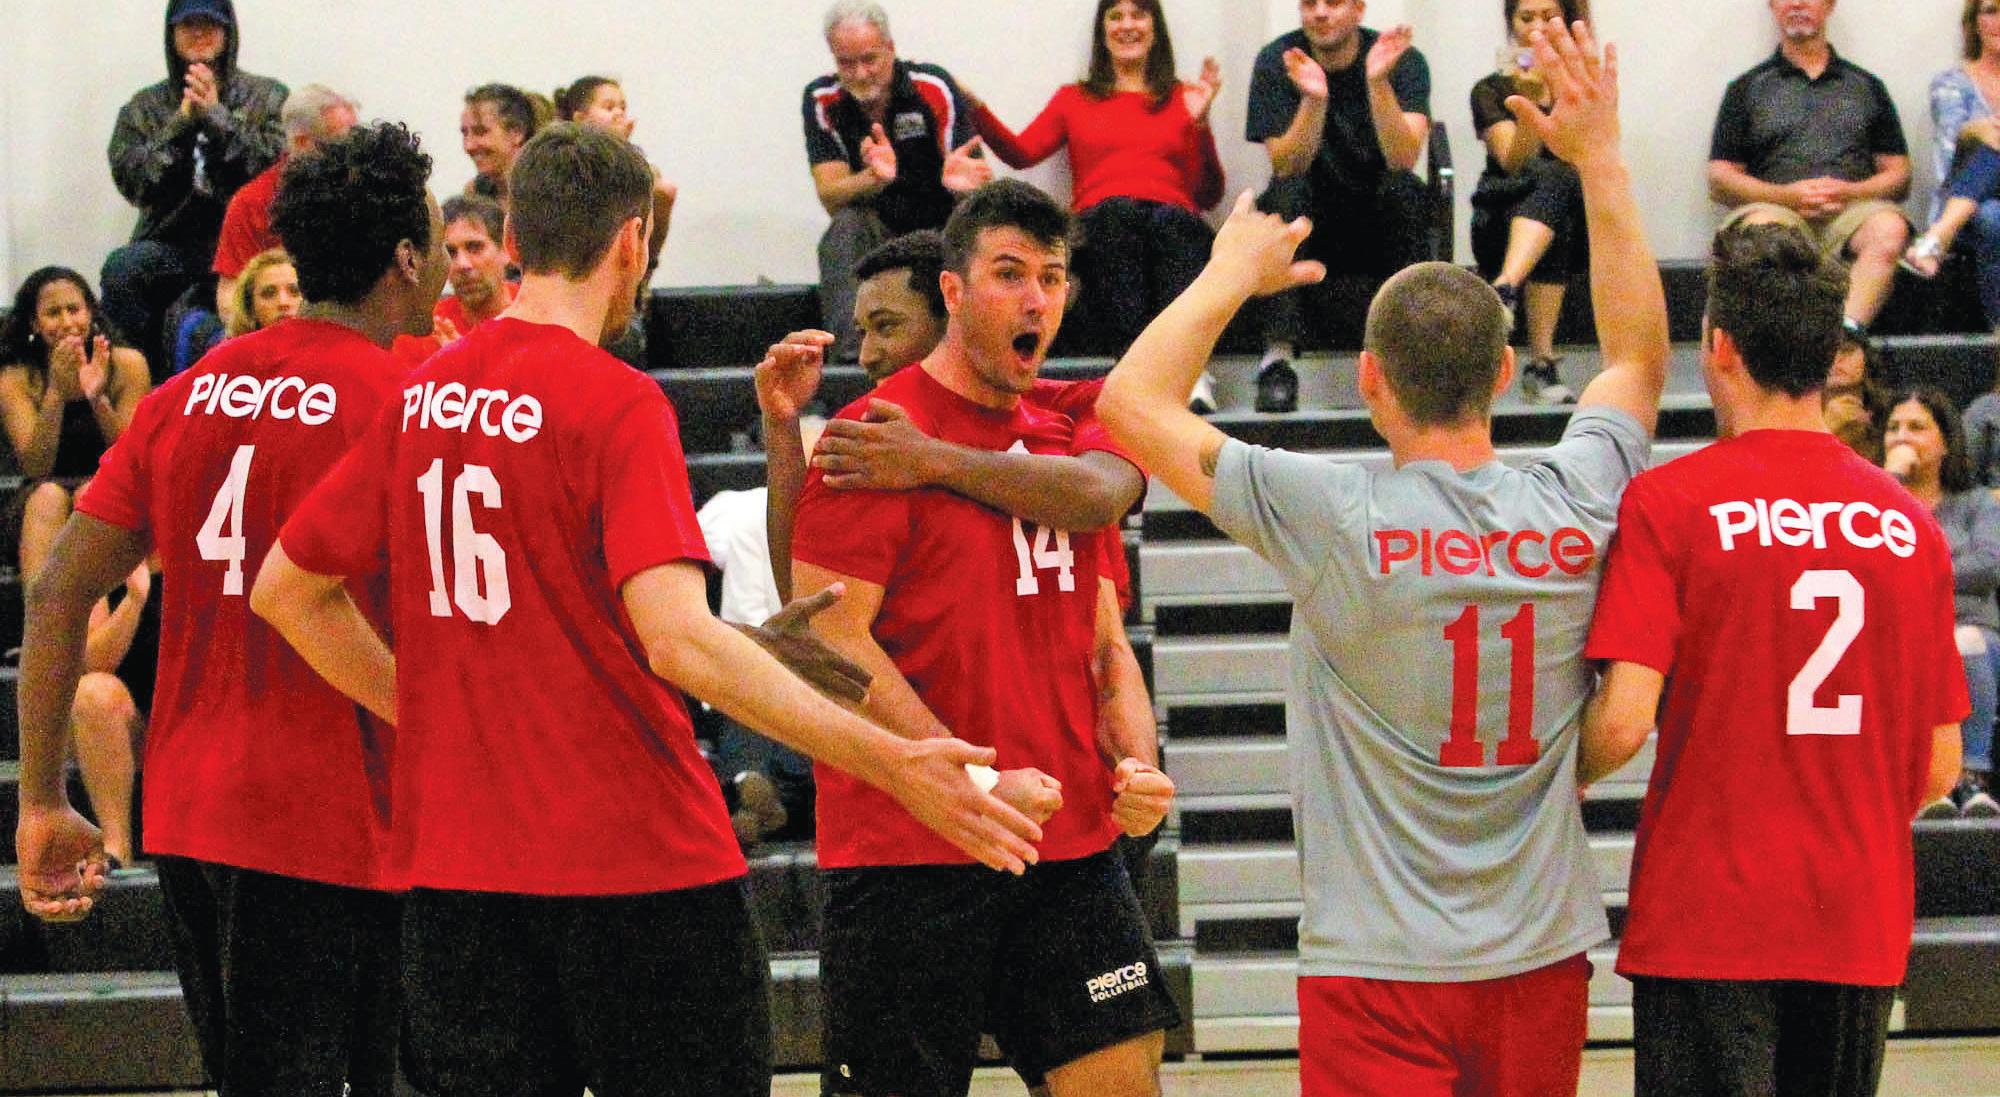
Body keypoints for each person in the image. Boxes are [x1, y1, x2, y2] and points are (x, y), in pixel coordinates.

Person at [249, 123, 1045, 1097]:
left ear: (512, 236)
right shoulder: (614, 400)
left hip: (459, 877)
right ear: (632, 241)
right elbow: (677, 641)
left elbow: (287, 589)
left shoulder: (422, 397)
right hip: (638, 870)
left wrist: (429, 717)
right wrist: (894, 762)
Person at [1102, 22, 1667, 1095]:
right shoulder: (1575, 496)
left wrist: (1227, 273)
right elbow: (1638, 357)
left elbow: (1127, 404)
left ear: (1367, 378)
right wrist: (1598, 157)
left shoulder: (1331, 512)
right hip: (1539, 950)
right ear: (1503, 372)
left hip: (1376, 961)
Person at [14, 121, 451, 1095]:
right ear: (406, 257)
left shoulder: (188, 393)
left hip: (195, 814)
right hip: (339, 816)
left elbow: (54, 592)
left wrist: (42, 798)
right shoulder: (408, 401)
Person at [787, 179, 1176, 1097]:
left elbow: (1105, 644)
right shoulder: (874, 436)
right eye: (1009, 273)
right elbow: (828, 641)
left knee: (1123, 1079)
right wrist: (969, 779)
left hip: (1065, 844)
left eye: (1052, 276)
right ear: (955, 292)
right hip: (909, 847)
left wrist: (1137, 761)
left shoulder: (1070, 430)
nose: (1036, 298)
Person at [1581, 220, 1968, 1097]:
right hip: (1856, 918)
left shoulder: (1670, 503)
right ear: (1832, 356)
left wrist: (1561, 776)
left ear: (1718, 346)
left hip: (1706, 919)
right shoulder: (1908, 524)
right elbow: (1940, 765)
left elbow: (1625, 719)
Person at [967, 0, 1224, 365]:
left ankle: (1188, 366)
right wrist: (974, 106)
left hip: (1172, 221)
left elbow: (1208, 195)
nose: (1127, 25)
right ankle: (1133, 361)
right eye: (1116, 16)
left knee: (1173, 223)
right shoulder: (1073, 98)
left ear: (1155, 29)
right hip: (1103, 222)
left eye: (1138, 15)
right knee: (1119, 213)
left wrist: (1200, 124)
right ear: (1103, 32)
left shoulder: (1185, 96)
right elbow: (1021, 153)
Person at [1244, 0, 1432, 413]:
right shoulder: (1280, 60)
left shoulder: (1401, 59)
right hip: (1311, 218)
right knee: (1285, 193)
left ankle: (1410, 360)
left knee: (1405, 190)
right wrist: (1313, 100)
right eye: (1309, 3)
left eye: (1333, 2)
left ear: (1359, 9)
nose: (1320, 13)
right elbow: (1286, 164)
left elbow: (1403, 157)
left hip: (1376, 217)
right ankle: (1277, 362)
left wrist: (1378, 84)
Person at [1708, 0, 1911, 342]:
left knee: (1889, 229)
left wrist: (1849, 192)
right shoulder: (1745, 88)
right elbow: (1719, 179)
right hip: (1775, 209)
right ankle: (1786, 348)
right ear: (1773, 6)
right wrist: (1786, 196)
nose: (1798, 4)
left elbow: (1900, 175)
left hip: (1851, 214)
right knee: (1758, 234)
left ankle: (1843, 339)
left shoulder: (1866, 86)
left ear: (1829, 5)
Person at [102, 0, 287, 377]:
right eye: (188, 24)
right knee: (122, 269)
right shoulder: (142, 107)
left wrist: (217, 117)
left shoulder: (268, 97)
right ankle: (139, 388)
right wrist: (181, 123)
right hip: (170, 244)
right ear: (171, 34)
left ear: (228, 32)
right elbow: (136, 183)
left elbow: (273, 172)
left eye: (209, 23)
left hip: (248, 245)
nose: (199, 32)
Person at [804, 1, 992, 361]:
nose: (860, 73)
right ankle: (851, 361)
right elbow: (830, 195)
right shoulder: (821, 99)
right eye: (847, 63)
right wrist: (872, 178)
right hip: (878, 235)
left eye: (869, 59)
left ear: (890, 49)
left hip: (941, 225)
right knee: (845, 226)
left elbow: (981, 184)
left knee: (976, 222)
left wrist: (961, 186)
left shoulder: (932, 85)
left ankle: (980, 350)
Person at [1880, 388, 2000, 818]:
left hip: (1968, 628)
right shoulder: (1875, 503)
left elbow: (1988, 565)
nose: (1901, 437)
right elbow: (1861, 562)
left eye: (1916, 427)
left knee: (1964, 643)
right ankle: (1922, 785)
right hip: (1895, 632)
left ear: (1946, 442)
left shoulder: (1976, 503)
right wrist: (1888, 482)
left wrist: (1911, 572)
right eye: (1893, 428)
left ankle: (1969, 778)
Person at [1471, 0, 1591, 404]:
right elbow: (1513, 161)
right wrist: (1530, 109)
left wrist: (1555, 94)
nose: (1538, 26)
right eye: (1526, 17)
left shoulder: (1583, 87)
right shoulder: (1489, 90)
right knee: (1551, 179)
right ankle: (1541, 365)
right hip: (1501, 214)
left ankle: (1505, 287)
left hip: (1566, 217)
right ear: (1512, 23)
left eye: (1549, 16)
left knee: (1560, 179)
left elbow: (1582, 154)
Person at [0, 269, 153, 577]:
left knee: (91, 494)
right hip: (39, 494)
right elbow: (36, 466)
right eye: (53, 313)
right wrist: (56, 393)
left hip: (110, 487)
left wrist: (97, 398)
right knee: (48, 497)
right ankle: (40, 609)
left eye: (74, 309)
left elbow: (131, 458)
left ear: (90, 312)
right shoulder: (15, 377)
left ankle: (95, 610)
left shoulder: (127, 364)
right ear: (34, 323)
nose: (67, 322)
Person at [211, 84, 358, 331]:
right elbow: (230, 297)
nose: (355, 152)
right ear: (302, 143)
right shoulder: (252, 202)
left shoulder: (366, 194)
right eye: (342, 143)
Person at [1901, 0, 2000, 313]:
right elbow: (1948, 164)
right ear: (1974, 22)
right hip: (1968, 203)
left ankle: (1936, 238)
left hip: (1955, 216)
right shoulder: (1952, 84)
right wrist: (1973, 132)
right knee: (1993, 217)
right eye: (1991, 11)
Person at [554, 75, 679, 281]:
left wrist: (622, 148)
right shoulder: (564, 161)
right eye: (609, 107)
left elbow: (655, 183)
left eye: (623, 107)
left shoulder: (633, 159)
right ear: (580, 119)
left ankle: (640, 276)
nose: (619, 113)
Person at [392, 195, 516, 365]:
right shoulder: (422, 331)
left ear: (506, 249)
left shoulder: (540, 315)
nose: (462, 264)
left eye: (475, 247)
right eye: (450, 252)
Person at [461, 83, 536, 208]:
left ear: (517, 132)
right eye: (465, 133)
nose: (468, 146)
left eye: (480, 132)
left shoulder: (549, 191)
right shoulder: (475, 195)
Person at [1822, 333, 1890, 465]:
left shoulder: (1892, 418)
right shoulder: (1792, 417)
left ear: (1867, 358)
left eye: (1846, 349)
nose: (1836, 358)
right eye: (1827, 350)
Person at [223, 248, 302, 338]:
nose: (283, 302)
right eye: (269, 294)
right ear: (250, 307)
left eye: (295, 291)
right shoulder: (231, 347)